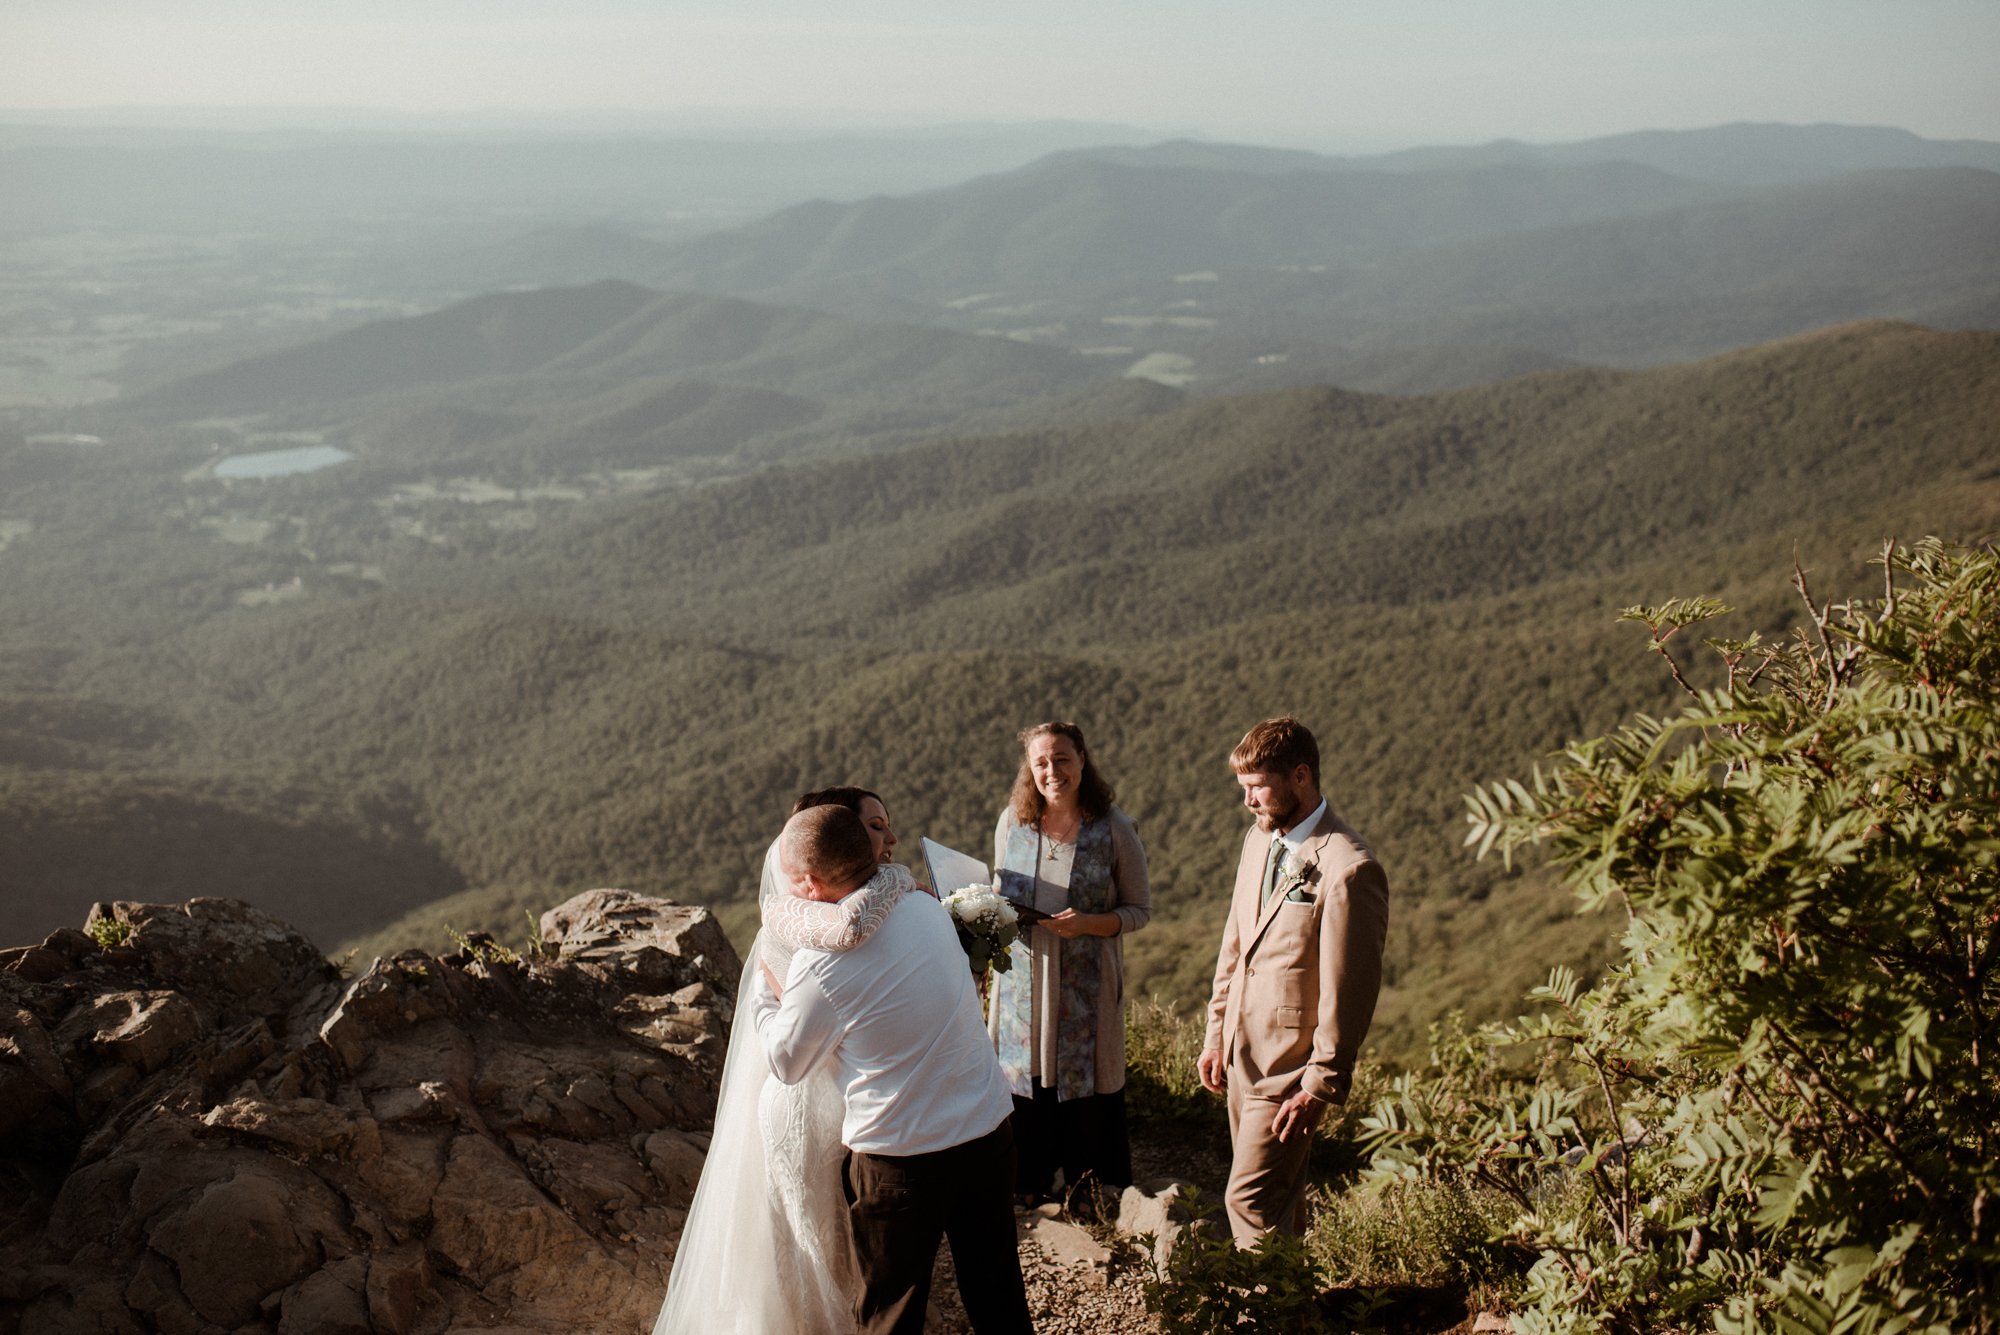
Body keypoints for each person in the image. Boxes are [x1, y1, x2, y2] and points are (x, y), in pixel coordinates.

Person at [756, 805, 1033, 1335]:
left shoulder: (822, 967)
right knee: (997, 1293)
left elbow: (787, 1064)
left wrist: (768, 1002)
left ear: (810, 887)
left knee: (892, 1312)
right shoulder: (925, 909)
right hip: (987, 1130)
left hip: (902, 1159)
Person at [652, 787, 909, 1335]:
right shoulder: (806, 922)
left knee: (836, 1237)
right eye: (873, 828)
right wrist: (900, 883)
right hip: (806, 1099)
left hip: (836, 1099)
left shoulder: (835, 906)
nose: (887, 843)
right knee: (814, 1240)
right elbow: (844, 943)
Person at [1197, 716, 1388, 1244]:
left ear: (1300, 776)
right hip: (1241, 1054)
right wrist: (1216, 1035)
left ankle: (1263, 1317)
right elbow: (1235, 946)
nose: (1249, 802)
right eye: (1244, 789)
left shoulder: (1350, 869)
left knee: (1249, 1198)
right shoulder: (1257, 843)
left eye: (1258, 787)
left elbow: (1350, 992)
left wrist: (1320, 1085)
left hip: (1290, 1069)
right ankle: (1297, 1308)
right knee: (1281, 1198)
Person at [988, 721, 1150, 1206]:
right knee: (1024, 1077)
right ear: (1029, 769)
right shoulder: (1012, 823)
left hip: (1086, 982)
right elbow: (1000, 896)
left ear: (1082, 760)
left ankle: (1089, 1187)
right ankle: (1029, 1181)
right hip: (1022, 979)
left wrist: (1089, 924)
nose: (1052, 770)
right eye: (1041, 762)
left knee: (1085, 1082)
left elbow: (1139, 910)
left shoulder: (1115, 829)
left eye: (1062, 759)